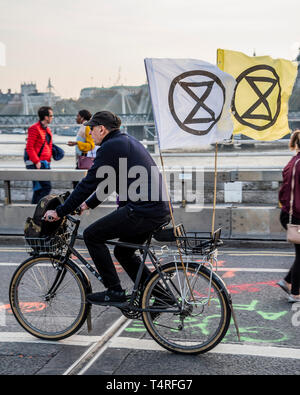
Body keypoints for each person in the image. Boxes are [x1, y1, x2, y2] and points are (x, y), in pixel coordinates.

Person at [44, 110, 170, 304]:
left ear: (102, 129)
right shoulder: (125, 141)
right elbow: (110, 182)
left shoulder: (110, 147)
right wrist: (87, 204)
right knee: (123, 252)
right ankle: (163, 298)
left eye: (91, 129)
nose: (90, 133)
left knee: (92, 235)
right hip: (154, 209)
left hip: (142, 210)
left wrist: (60, 212)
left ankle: (114, 291)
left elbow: (88, 183)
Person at [278, 130, 300, 302]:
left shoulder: (292, 162)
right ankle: (295, 292)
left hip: (288, 213)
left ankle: (287, 281)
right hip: (297, 216)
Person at [25, 106, 53, 204]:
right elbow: (29, 147)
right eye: (51, 116)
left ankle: (34, 211)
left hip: (45, 163)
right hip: (38, 163)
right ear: (46, 117)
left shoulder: (47, 129)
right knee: (46, 187)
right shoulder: (34, 128)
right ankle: (39, 209)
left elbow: (47, 146)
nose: (52, 117)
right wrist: (36, 162)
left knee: (39, 189)